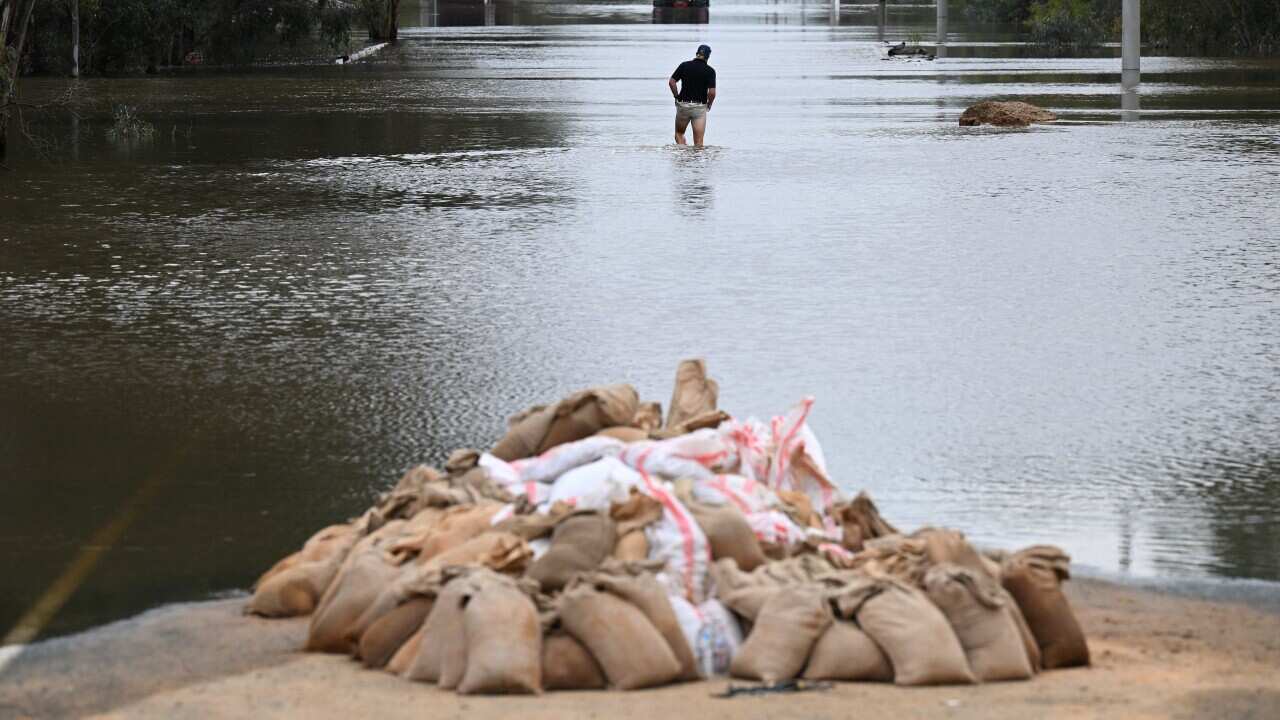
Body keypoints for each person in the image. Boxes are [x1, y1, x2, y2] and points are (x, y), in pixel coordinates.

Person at [668, 44, 716, 147]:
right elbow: (712, 93)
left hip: (683, 105)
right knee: (699, 144)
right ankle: (695, 161)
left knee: (679, 134)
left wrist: (676, 96)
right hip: (699, 108)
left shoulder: (684, 65)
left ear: (697, 54)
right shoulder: (710, 71)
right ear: (708, 57)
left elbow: (672, 82)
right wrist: (709, 104)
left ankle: (683, 154)